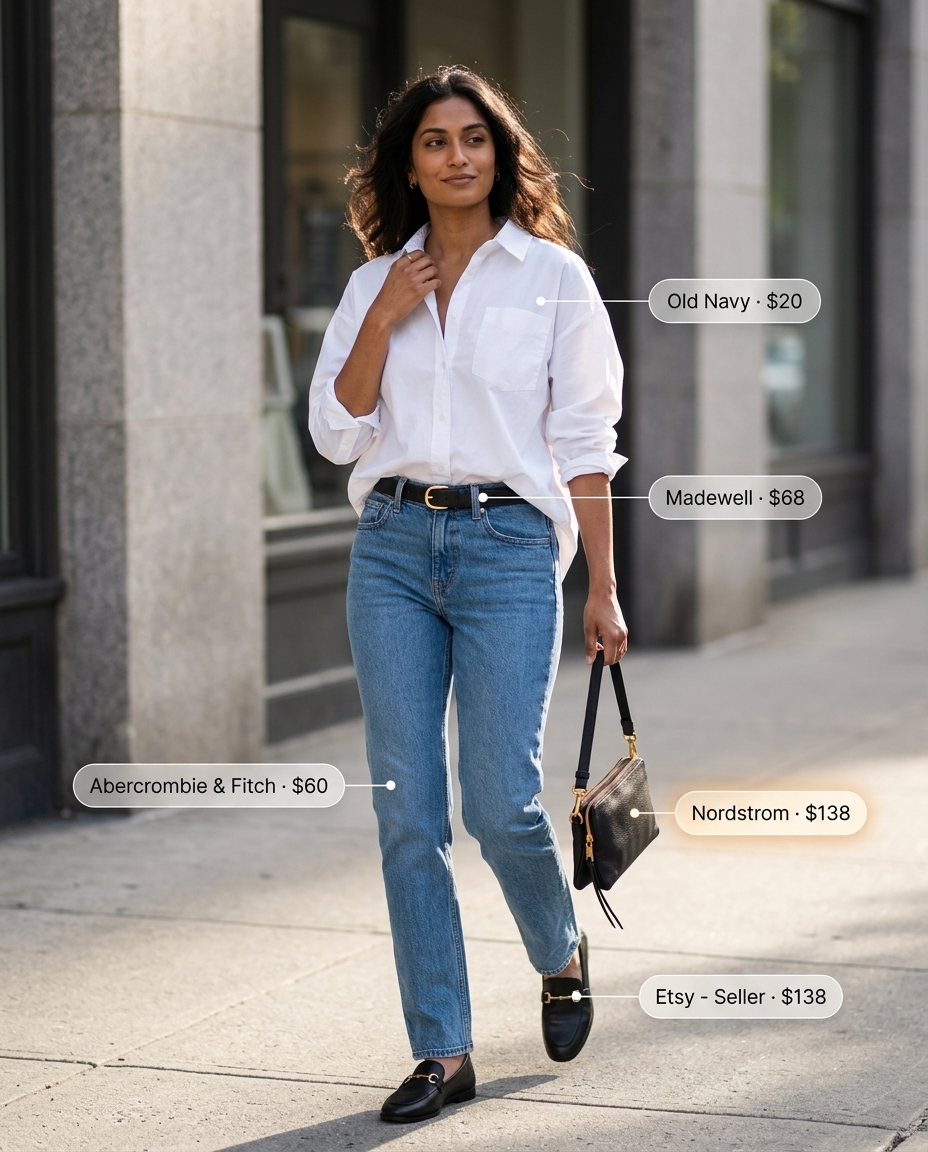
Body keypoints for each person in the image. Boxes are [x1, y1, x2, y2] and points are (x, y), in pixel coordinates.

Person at [308, 66, 627, 1124]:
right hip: (392, 550)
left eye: (474, 138)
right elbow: (336, 432)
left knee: (499, 803)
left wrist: (603, 588)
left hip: (507, 550)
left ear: (500, 153)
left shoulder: (554, 278)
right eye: (435, 141)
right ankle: (441, 1049)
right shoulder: (373, 284)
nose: (457, 156)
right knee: (408, 812)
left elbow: (585, 442)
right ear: (408, 164)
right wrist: (385, 315)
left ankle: (558, 948)